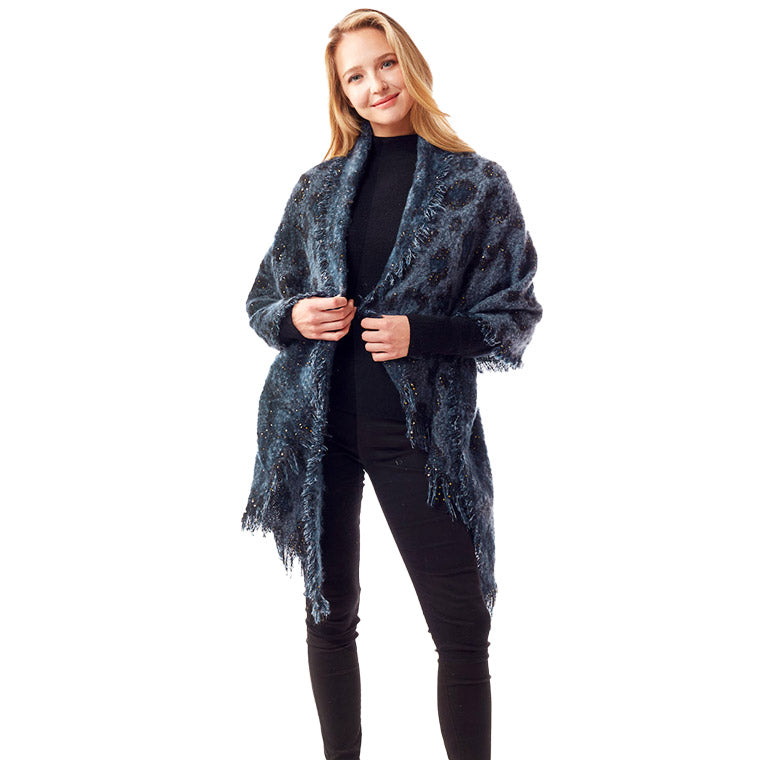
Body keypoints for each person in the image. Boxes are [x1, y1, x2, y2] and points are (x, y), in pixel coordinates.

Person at [241, 9, 543, 760]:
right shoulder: (316, 188)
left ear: (410, 64)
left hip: (419, 435)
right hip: (317, 429)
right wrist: (296, 315)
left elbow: (514, 316)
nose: (374, 84)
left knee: (461, 628)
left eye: (384, 64)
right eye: (355, 75)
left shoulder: (476, 184)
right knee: (329, 617)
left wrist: (422, 333)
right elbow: (262, 301)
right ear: (341, 92)